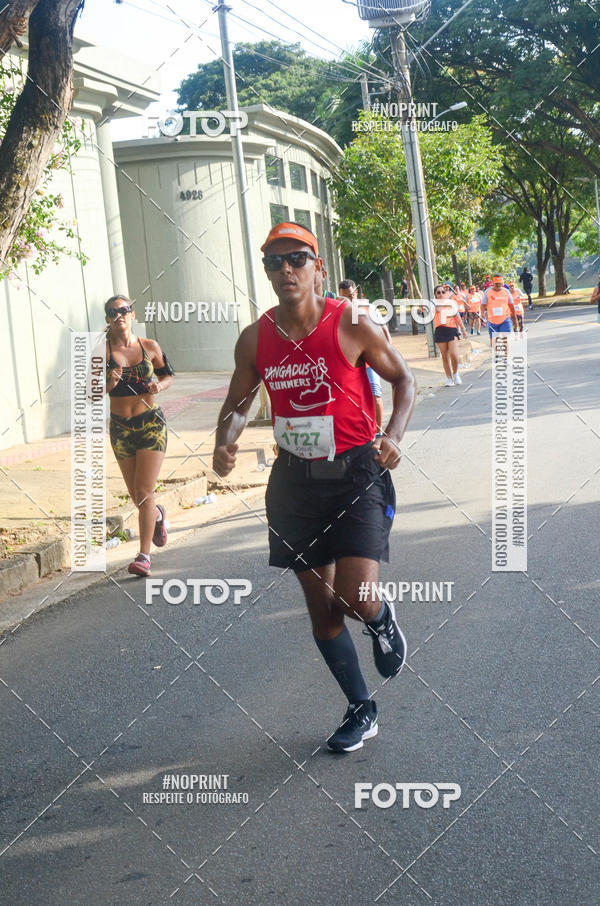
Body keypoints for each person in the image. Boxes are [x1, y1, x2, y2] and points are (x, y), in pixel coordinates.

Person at [213, 221, 415, 753]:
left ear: (318, 266)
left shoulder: (351, 324)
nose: (285, 270)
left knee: (353, 597)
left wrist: (392, 435)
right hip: (294, 483)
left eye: (296, 259)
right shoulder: (256, 337)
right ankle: (360, 708)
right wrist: (224, 440)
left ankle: (381, 616)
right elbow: (238, 402)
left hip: (355, 472)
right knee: (322, 610)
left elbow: (404, 380)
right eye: (274, 262)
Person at [105, 295, 174, 577]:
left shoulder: (149, 346)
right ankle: (157, 515)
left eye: (123, 310)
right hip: (121, 427)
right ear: (107, 318)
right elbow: (89, 392)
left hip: (151, 423)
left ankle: (144, 556)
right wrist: (110, 380)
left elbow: (168, 375)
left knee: (144, 491)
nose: (119, 315)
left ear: (132, 314)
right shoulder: (101, 351)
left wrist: (160, 386)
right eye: (112, 312)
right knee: (136, 494)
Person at [338, 279, 391, 432]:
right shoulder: (338, 311)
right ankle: (362, 432)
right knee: (352, 400)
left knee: (375, 395)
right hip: (350, 364)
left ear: (356, 293)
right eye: (344, 297)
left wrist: (388, 353)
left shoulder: (369, 308)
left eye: (351, 296)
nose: (348, 299)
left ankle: (379, 432)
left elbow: (384, 331)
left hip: (370, 361)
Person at [433, 284, 468, 386]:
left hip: (452, 329)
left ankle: (456, 373)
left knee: (454, 354)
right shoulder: (433, 303)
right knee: (444, 356)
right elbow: (438, 310)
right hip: (440, 330)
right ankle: (449, 378)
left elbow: (457, 316)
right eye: (438, 292)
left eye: (443, 292)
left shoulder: (451, 303)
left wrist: (463, 329)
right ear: (435, 294)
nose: (441, 294)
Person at [481, 274, 518, 347]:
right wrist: (482, 313)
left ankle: (505, 358)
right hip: (492, 321)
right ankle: (497, 356)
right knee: (494, 343)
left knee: (505, 340)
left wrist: (514, 319)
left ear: (503, 283)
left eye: (500, 283)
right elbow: (483, 304)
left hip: (505, 319)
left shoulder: (506, 292)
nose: (498, 285)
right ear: (493, 283)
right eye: (496, 283)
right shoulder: (488, 291)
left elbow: (511, 306)